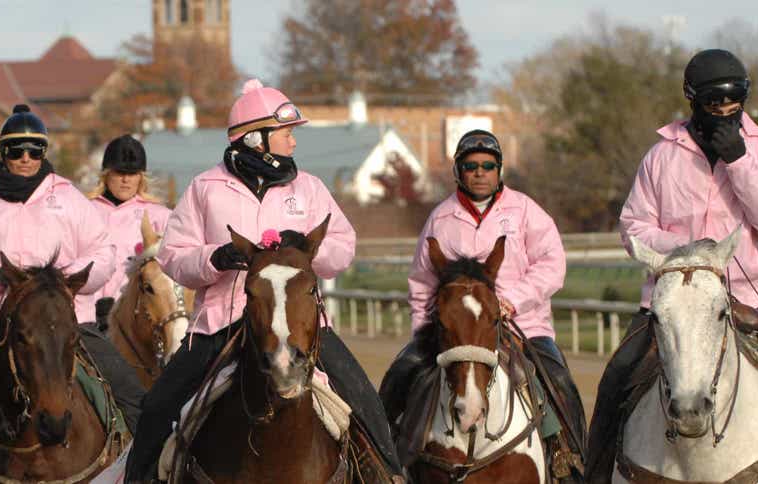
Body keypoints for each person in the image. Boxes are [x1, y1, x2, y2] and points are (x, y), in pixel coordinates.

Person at [586, 49, 758, 481]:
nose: (727, 113)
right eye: (716, 105)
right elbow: (633, 227)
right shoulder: (661, 156)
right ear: (692, 99)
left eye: (736, 103)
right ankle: (593, 474)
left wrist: (740, 161)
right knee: (616, 376)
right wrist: (690, 250)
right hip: (674, 299)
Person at [124, 79, 402, 482]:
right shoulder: (204, 188)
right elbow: (171, 254)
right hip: (220, 325)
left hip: (303, 326)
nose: (293, 142)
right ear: (255, 138)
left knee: (365, 400)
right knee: (156, 408)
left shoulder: (309, 188)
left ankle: (392, 475)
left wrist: (304, 254)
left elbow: (344, 244)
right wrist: (215, 258)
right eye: (286, 133)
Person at [0, 104, 145, 474]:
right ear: (3, 153)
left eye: (34, 150)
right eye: (16, 150)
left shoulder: (69, 199)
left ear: (43, 153)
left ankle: (142, 467)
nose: (25, 158)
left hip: (69, 319)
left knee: (130, 389)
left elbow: (104, 252)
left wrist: (66, 285)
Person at [377, 129, 586, 478]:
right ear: (459, 170)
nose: (480, 172)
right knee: (400, 374)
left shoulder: (526, 211)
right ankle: (387, 462)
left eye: (488, 165)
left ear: (499, 169)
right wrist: (425, 333)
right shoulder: (439, 219)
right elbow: (421, 283)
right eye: (471, 165)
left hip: (524, 326)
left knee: (559, 380)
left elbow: (553, 264)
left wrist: (512, 301)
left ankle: (571, 459)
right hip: (453, 333)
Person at [87, 134, 172, 325]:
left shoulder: (160, 217)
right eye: (119, 172)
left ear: (141, 177)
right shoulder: (85, 210)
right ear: (106, 174)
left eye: (132, 173)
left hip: (137, 318)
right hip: (87, 314)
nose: (125, 180)